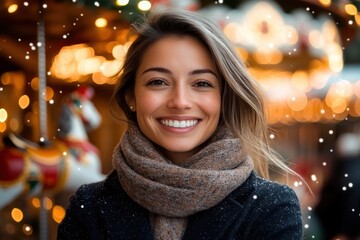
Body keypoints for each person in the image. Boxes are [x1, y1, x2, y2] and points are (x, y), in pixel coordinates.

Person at [57, 9, 303, 240]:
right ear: (131, 96)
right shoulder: (88, 206)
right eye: (158, 82)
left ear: (224, 98)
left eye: (202, 84)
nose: (180, 102)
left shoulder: (272, 207)